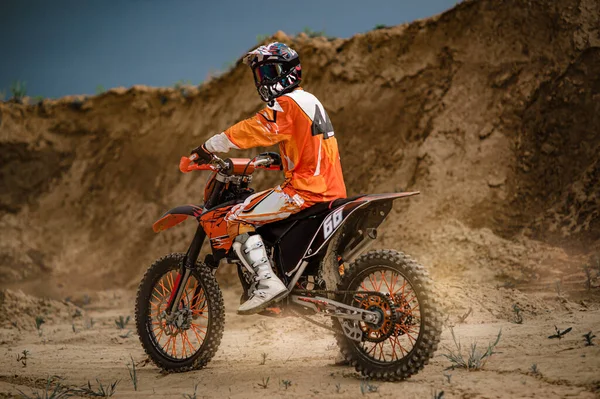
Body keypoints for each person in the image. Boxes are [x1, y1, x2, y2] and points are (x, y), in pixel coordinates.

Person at [191, 42, 346, 314]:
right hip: (331, 188)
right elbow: (308, 144)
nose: (264, 80)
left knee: (236, 217)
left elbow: (252, 129)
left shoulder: (286, 104)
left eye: (269, 72)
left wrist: (209, 146)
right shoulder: (310, 100)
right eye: (261, 74)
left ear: (288, 71)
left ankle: (267, 283)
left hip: (304, 192)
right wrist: (280, 160)